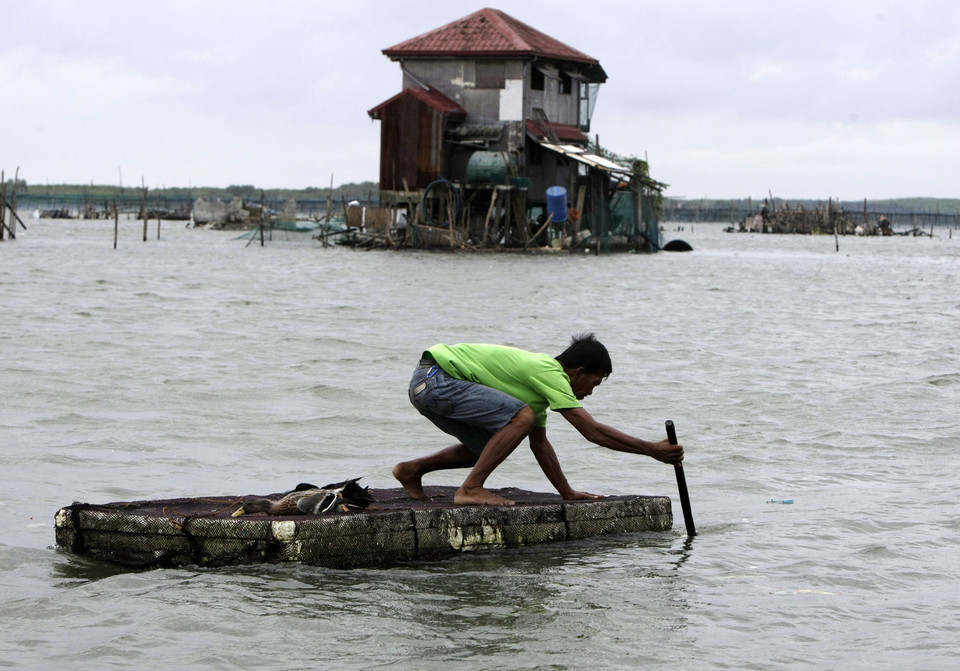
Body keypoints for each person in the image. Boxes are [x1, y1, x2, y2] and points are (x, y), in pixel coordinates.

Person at [393, 333, 684, 506]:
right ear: (578, 372)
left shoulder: (539, 390)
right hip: (437, 379)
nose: (589, 393)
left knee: (489, 444)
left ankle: (412, 470)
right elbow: (592, 432)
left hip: (426, 384)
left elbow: (540, 446)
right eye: (592, 384)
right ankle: (470, 489)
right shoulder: (550, 372)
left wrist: (567, 493)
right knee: (522, 418)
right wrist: (651, 449)